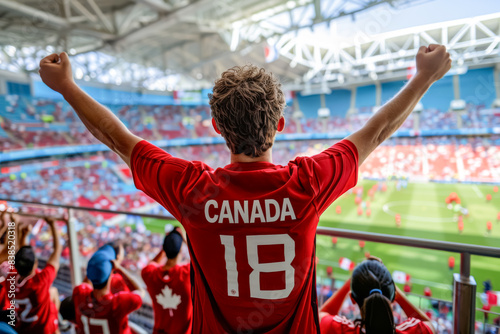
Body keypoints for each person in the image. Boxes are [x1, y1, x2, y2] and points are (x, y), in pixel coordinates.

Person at [38, 44, 451, 333]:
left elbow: (115, 137)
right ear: (280, 125)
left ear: (217, 128)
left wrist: (67, 87)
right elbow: (376, 132)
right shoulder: (307, 183)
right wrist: (424, 77)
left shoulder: (192, 189)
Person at [320, 257, 436, 334]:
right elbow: (428, 325)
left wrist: (355, 278)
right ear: (392, 297)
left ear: (352, 299)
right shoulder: (413, 331)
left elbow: (320, 316)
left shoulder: (337, 329)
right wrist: (395, 291)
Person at [72, 245, 144, 334]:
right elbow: (140, 292)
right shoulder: (118, 303)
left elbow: (85, 284)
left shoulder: (79, 293)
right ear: (112, 271)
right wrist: (119, 269)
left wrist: (93, 268)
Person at [12, 217, 62, 334]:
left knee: (53, 291)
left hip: (23, 328)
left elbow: (23, 258)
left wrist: (23, 236)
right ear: (35, 264)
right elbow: (57, 251)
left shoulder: (10, 279)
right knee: (52, 293)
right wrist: (53, 224)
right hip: (43, 329)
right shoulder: (40, 281)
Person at [141, 228, 192, 334]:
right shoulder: (187, 273)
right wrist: (184, 239)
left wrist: (167, 245)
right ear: (181, 251)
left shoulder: (149, 274)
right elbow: (200, 260)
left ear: (163, 249)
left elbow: (151, 264)